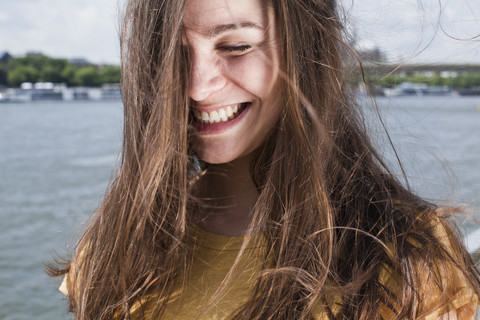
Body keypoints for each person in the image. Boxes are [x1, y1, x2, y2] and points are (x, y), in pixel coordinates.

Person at [49, 0, 480, 318]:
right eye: (174, 55)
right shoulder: (113, 246)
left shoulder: (407, 257)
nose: (198, 87)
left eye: (235, 46)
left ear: (308, 49)